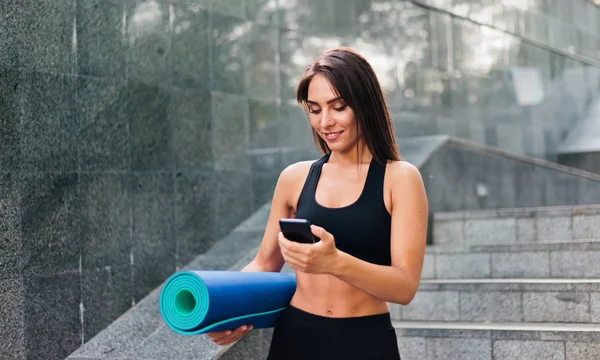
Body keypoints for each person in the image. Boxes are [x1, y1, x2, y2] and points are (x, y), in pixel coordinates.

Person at [207, 47, 428, 360]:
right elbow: (264, 264)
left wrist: (335, 261)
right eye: (314, 109)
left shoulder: (400, 179)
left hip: (364, 341)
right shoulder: (294, 178)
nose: (325, 122)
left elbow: (404, 287)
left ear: (365, 106)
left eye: (338, 107)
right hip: (295, 337)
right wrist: (230, 312)